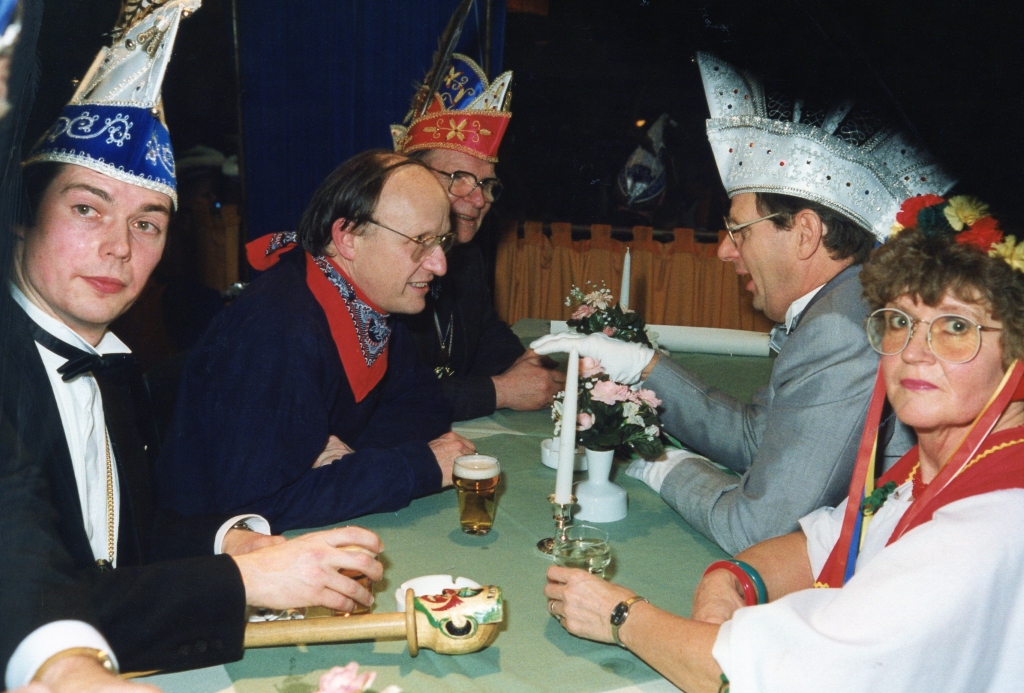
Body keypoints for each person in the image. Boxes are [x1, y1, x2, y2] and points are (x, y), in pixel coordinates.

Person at [3, 2, 384, 684]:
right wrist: (243, 580)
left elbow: (124, 544)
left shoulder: (114, 371)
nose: (119, 247)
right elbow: (38, 596)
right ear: (22, 219)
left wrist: (231, 540)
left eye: (146, 223)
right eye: (87, 208)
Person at [545, 195, 1024, 692]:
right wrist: (731, 579)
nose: (915, 352)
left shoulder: (981, 530)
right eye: (900, 321)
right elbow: (825, 541)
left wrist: (620, 615)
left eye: (955, 327)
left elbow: (757, 675)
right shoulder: (942, 467)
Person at [532, 52, 954, 553]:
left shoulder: (841, 327)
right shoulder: (843, 301)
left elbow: (758, 529)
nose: (725, 250)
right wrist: (646, 366)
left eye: (740, 231)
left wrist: (663, 466)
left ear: (805, 234)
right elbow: (759, 439)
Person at [156, 149, 476, 531]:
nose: (440, 264)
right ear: (348, 237)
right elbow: (255, 506)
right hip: (215, 550)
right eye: (420, 241)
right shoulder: (277, 332)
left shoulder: (372, 305)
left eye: (441, 241)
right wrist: (416, 467)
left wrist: (351, 458)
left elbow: (425, 404)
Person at [391, 44, 563, 421]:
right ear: (411, 177)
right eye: (458, 178)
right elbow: (390, 399)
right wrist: (503, 390)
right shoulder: (380, 260)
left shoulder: (467, 257)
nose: (479, 198)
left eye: (487, 184)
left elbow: (485, 334)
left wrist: (531, 367)